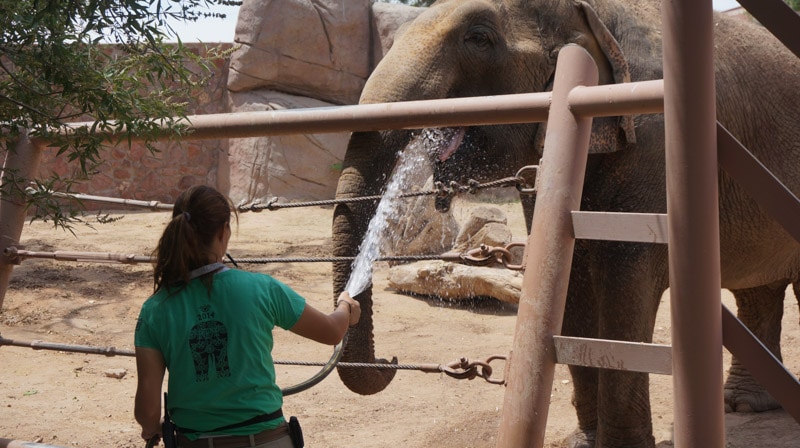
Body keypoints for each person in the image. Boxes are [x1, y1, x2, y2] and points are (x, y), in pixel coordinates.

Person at [134, 185, 360, 448]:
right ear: (223, 231)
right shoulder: (262, 289)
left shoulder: (155, 309)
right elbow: (332, 331)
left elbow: (147, 413)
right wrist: (345, 307)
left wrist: (152, 427)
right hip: (269, 441)